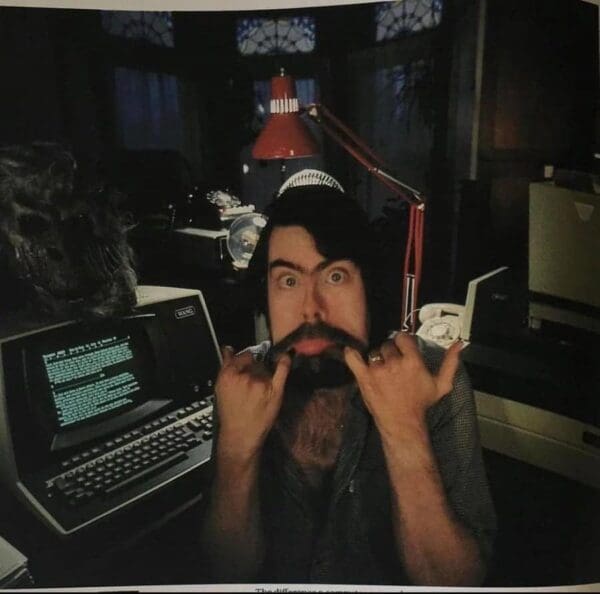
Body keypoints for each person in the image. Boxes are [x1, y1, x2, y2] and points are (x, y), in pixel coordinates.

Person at [200, 184, 496, 586]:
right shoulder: (243, 386)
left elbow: (456, 585)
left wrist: (405, 429)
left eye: (335, 276)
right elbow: (225, 576)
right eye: (288, 281)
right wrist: (236, 449)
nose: (311, 309)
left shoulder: (432, 379)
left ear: (370, 288)